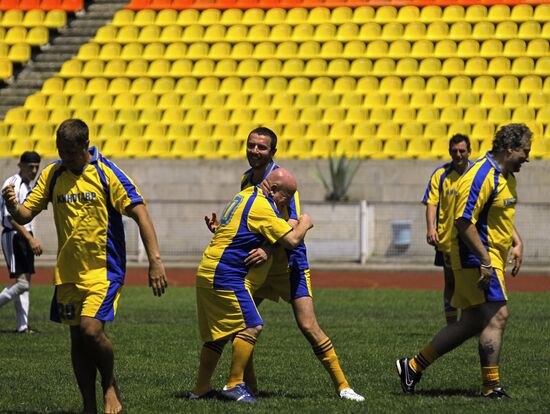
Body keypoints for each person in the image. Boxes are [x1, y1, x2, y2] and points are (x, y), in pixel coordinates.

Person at [2, 119, 168, 414]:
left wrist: (155, 261)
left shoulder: (106, 173)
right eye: (59, 150)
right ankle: (88, 405)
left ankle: (109, 386)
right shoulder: (54, 174)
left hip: (103, 270)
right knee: (77, 339)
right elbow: (26, 214)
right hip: (67, 273)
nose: (63, 156)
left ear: (84, 146)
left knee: (91, 331)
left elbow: (140, 212)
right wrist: (14, 206)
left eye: (68, 151)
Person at [205, 127, 364, 401]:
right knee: (240, 324)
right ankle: (245, 386)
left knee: (308, 325)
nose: (255, 151)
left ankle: (343, 386)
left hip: (288, 263)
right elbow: (251, 215)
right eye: (251, 145)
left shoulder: (282, 180)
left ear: (272, 152)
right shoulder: (247, 179)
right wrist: (224, 228)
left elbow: (293, 222)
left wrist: (267, 248)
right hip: (257, 265)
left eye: (261, 147)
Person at [397, 123, 531, 398]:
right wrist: (484, 260)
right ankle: (491, 386)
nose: (528, 158)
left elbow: (496, 215)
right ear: (510, 148)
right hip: (477, 257)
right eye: (525, 151)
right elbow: (463, 221)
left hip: (486, 256)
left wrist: (516, 241)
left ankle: (412, 366)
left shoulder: (505, 175)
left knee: (471, 322)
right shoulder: (482, 175)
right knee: (498, 315)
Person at [192, 168, 314, 404]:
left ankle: (199, 390)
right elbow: (291, 240)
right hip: (227, 275)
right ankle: (235, 385)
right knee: (252, 326)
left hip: (208, 271)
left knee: (217, 337)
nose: (287, 203)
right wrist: (305, 223)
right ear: (274, 190)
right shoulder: (261, 206)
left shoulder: (244, 195)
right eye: (287, 197)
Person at [422, 134, 472, 324]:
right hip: (448, 239)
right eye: (454, 151)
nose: (458, 155)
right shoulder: (440, 174)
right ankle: (452, 324)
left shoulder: (476, 173)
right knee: (451, 282)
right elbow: (431, 202)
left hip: (472, 239)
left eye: (462, 151)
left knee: (471, 283)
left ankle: (470, 322)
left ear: (469, 151)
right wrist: (430, 228)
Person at [0, 151, 42, 334]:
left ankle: (22, 326)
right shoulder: (13, 183)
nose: (33, 170)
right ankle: (22, 326)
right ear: (21, 166)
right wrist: (30, 238)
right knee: (22, 284)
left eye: (36, 167)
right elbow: (12, 217)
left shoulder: (27, 185)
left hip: (23, 235)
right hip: (15, 235)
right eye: (30, 166)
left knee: (25, 283)